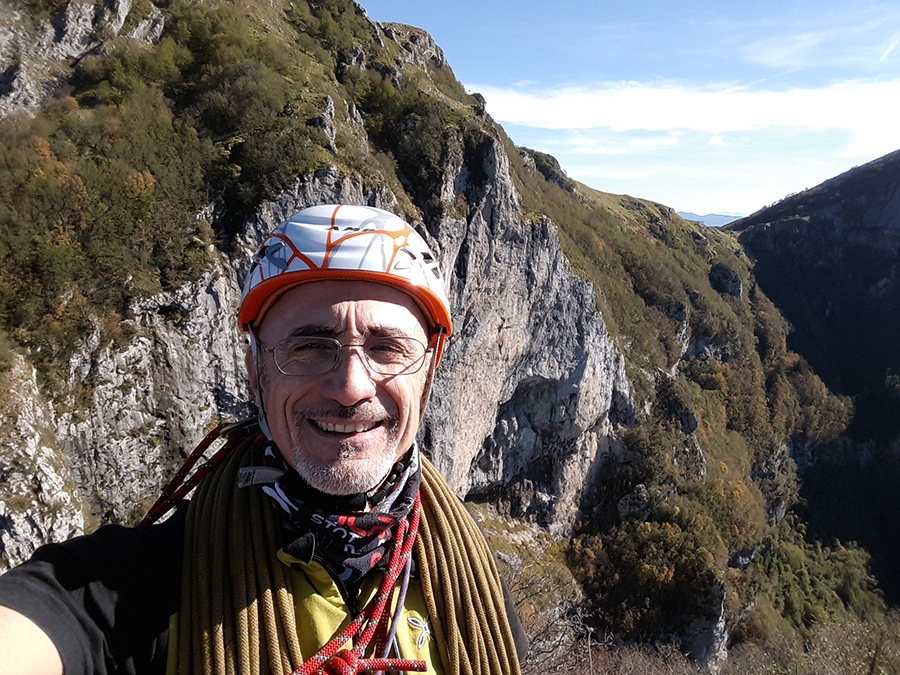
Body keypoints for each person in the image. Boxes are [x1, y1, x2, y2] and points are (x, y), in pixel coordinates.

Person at [0, 204, 527, 675]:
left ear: (429, 373)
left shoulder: (471, 588)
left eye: (388, 347)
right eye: (310, 346)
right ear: (257, 372)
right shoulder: (144, 588)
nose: (351, 387)